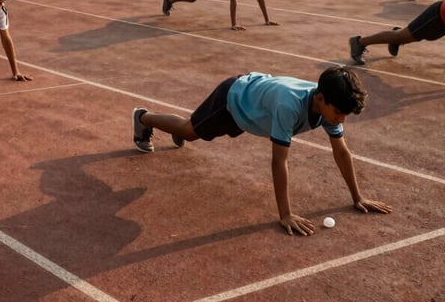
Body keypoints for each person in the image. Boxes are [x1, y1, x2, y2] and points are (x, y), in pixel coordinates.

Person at [131, 67, 392, 236]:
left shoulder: (328, 106)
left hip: (254, 110)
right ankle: (143, 118)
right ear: (321, 99)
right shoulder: (290, 106)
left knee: (196, 131)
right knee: (190, 130)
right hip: (233, 101)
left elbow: (341, 152)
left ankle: (187, 129)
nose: (341, 120)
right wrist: (285, 215)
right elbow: (279, 162)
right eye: (339, 113)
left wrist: (358, 197)